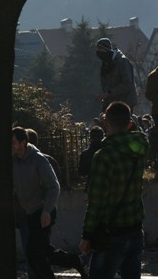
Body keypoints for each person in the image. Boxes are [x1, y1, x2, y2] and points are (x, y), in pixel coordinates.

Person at [79, 101, 149, 279]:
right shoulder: (141, 145)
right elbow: (139, 133)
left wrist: (87, 235)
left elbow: (96, 201)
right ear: (129, 123)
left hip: (111, 233)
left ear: (105, 122)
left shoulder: (104, 156)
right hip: (135, 228)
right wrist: (129, 123)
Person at [12, 127, 87, 279]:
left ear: (23, 142)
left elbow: (54, 186)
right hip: (30, 212)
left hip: (43, 211)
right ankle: (75, 260)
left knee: (34, 253)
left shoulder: (38, 159)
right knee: (43, 252)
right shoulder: (14, 160)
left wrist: (46, 210)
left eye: (13, 142)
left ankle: (73, 262)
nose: (11, 145)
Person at [95, 38, 137, 112]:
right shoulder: (105, 64)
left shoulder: (122, 62)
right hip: (111, 103)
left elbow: (127, 85)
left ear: (107, 50)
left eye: (101, 51)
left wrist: (109, 93)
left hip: (125, 103)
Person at [78, 126, 105, 191]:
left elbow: (82, 172)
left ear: (90, 138)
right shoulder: (108, 152)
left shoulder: (85, 154)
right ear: (102, 137)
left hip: (92, 185)